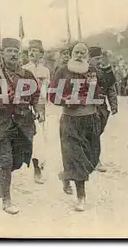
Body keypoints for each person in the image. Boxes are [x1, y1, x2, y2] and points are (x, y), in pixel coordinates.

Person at [0, 38, 43, 215]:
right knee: (6, 161)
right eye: (9, 51)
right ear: (2, 54)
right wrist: (2, 99)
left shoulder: (27, 75)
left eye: (16, 51)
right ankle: (6, 200)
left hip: (22, 125)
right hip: (1, 125)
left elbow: (36, 95)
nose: (14, 54)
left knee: (18, 160)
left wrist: (39, 109)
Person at [49, 42, 103, 211]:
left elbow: (103, 88)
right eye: (77, 52)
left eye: (83, 52)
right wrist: (68, 101)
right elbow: (52, 96)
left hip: (91, 119)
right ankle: (81, 197)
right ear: (71, 54)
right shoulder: (62, 71)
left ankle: (67, 174)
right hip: (71, 120)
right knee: (77, 157)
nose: (80, 55)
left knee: (92, 157)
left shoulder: (92, 70)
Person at [22, 39, 51, 184]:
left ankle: (37, 168)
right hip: (24, 106)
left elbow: (44, 92)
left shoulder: (45, 71)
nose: (32, 53)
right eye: (30, 50)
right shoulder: (22, 69)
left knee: (38, 138)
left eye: (36, 50)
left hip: (38, 106)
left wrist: (41, 109)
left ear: (41, 53)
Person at [88, 46, 118, 173]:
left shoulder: (106, 70)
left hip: (102, 106)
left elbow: (111, 88)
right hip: (89, 106)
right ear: (89, 59)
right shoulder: (85, 70)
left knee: (98, 131)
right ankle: (94, 160)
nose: (99, 61)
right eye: (96, 59)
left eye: (100, 58)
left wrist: (114, 105)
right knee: (92, 133)